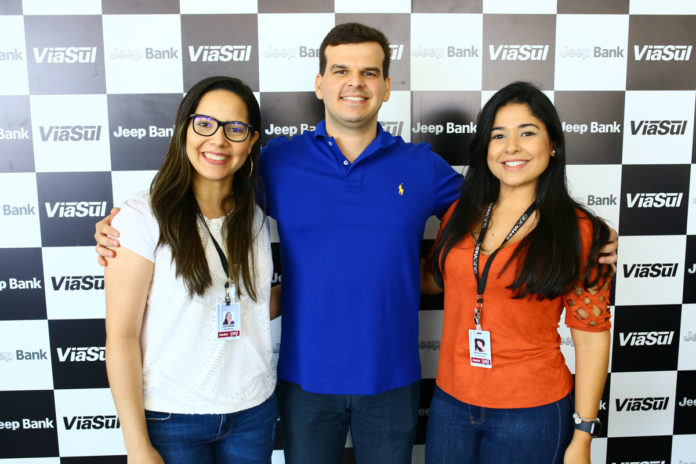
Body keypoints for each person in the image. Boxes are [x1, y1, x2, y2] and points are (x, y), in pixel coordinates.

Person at [95, 24, 617, 463]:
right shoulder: (275, 163)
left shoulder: (421, 166)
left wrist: (585, 229)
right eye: (341, 70)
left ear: (387, 86)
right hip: (301, 381)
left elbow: (502, 200)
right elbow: (208, 188)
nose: (355, 83)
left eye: (369, 72)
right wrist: (125, 223)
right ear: (320, 83)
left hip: (391, 381)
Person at [422, 82, 613, 464]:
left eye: (527, 132)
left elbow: (591, 340)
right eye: (498, 135)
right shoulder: (460, 213)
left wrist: (584, 434)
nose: (511, 147)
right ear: (485, 149)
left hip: (532, 413)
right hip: (450, 405)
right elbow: (431, 283)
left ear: (553, 144)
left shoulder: (581, 232)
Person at [104, 76, 277, 464]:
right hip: (171, 418)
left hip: (253, 411)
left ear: (251, 142)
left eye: (235, 129)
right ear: (185, 129)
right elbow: (121, 338)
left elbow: (250, 306)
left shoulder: (255, 219)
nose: (218, 140)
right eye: (205, 124)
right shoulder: (141, 217)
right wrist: (136, 447)